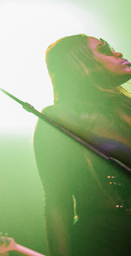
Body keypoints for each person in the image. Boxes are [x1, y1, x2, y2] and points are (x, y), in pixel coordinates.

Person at [33, 34, 131, 255]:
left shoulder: (127, 108)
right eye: (104, 50)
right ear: (79, 64)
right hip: (105, 241)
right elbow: (58, 202)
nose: (118, 53)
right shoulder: (59, 118)